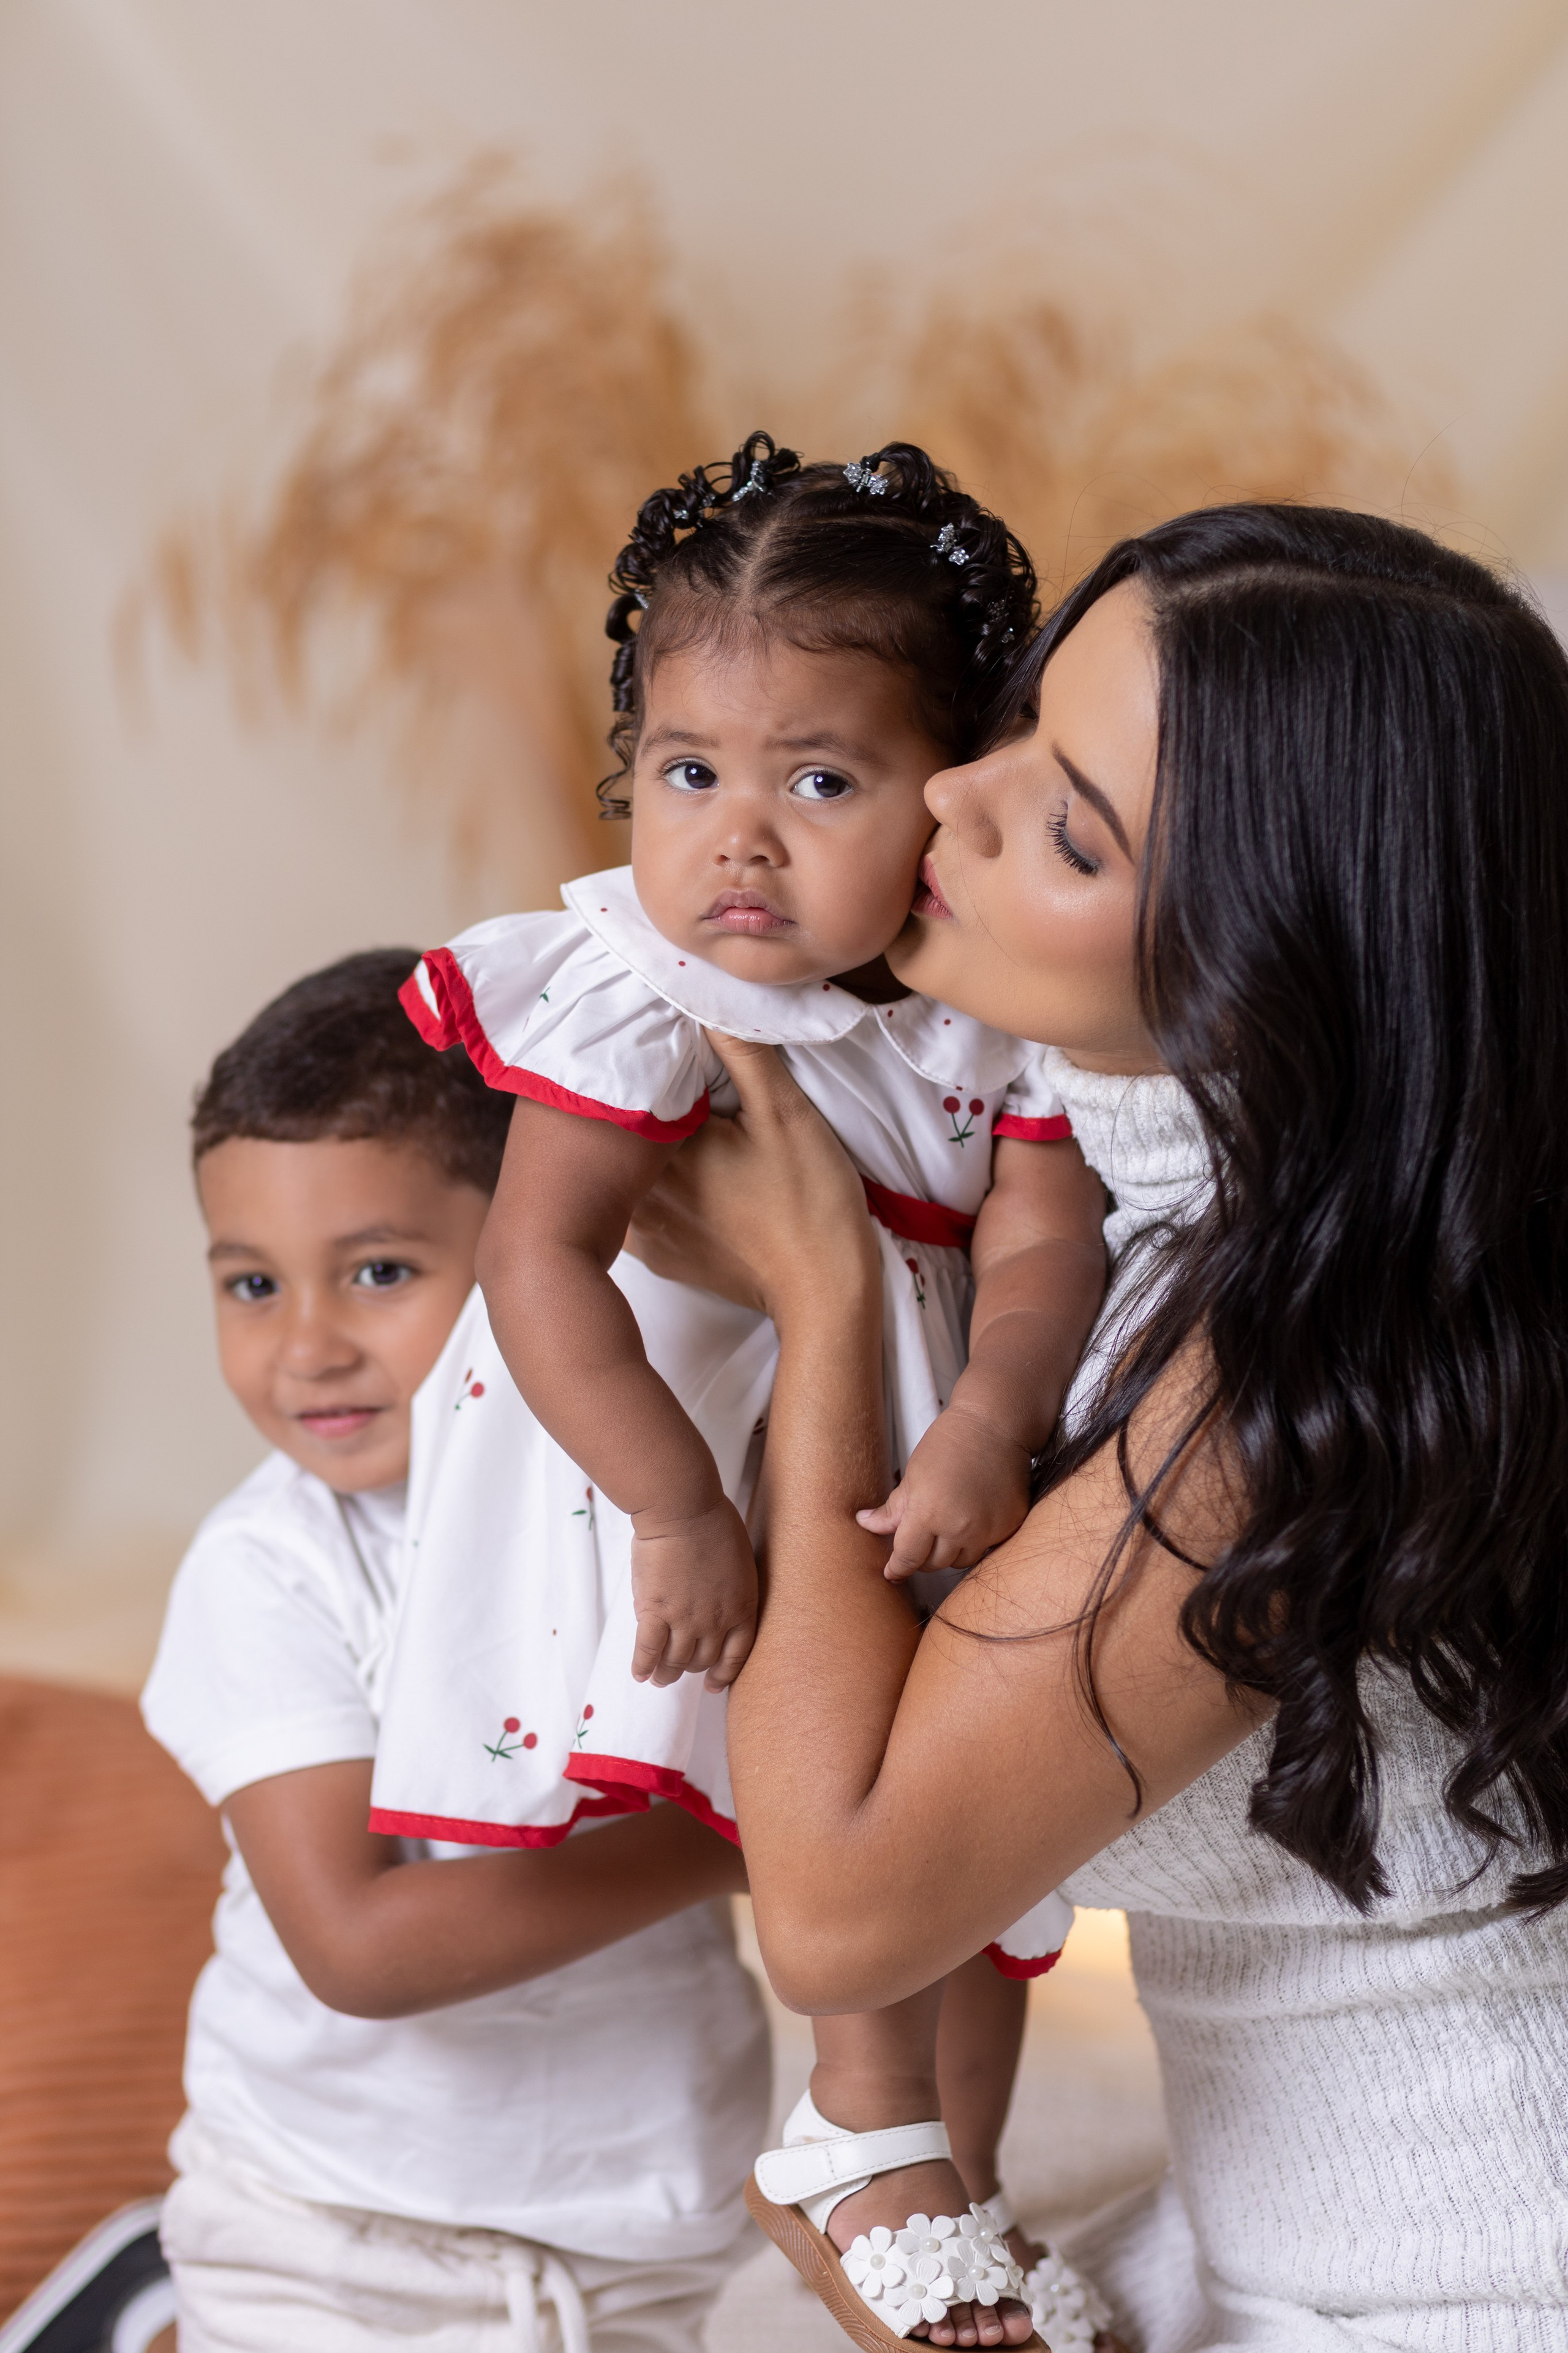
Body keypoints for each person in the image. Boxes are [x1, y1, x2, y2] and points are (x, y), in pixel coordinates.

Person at [625, 506, 1568, 2352]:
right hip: (1284, 2220)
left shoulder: (1309, 1382)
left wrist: (822, 1293)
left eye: (1070, 826)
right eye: (1022, 728)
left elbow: (836, 1906)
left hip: (1476, 2276)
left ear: (1278, 962)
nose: (953, 802)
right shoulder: (1167, 1226)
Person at [368, 436, 1118, 2348]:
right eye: (690, 774)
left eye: (822, 780)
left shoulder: (988, 1005)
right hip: (694, 1456)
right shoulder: (648, 997)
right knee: (842, 1799)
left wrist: (983, 1421)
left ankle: (956, 2167)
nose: (740, 839)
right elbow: (536, 1264)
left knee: (978, 1838)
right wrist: (674, 1508)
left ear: (948, 798)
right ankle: (860, 2121)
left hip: (920, 1457)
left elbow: (1041, 1246)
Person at [141, 951, 770, 2353]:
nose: (305, 1346)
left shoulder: (665, 1506)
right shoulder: (271, 1566)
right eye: (250, 1284)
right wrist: (744, 1829)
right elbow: (356, 1946)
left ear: (538, 1257)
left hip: (636, 2235)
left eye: (376, 1271)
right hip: (326, 2228)